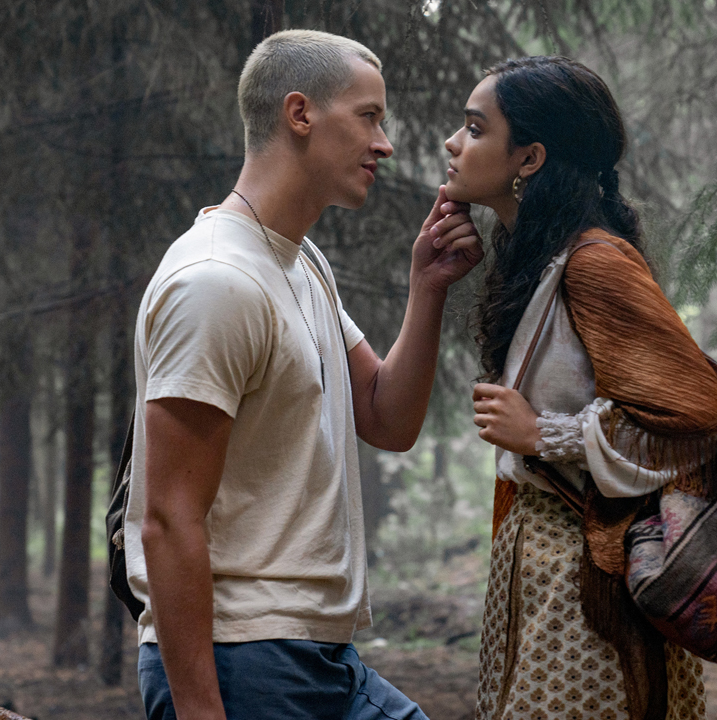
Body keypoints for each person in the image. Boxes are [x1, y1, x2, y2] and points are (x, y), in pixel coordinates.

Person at [123, 30, 484, 720]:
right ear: (300, 114)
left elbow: (385, 416)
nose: (385, 144)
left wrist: (428, 284)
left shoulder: (298, 260)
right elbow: (168, 519)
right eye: (369, 117)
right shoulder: (216, 282)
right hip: (243, 661)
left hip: (320, 659)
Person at [445, 56, 717, 720]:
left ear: (530, 157)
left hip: (593, 591)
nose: (452, 144)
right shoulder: (537, 260)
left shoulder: (595, 262)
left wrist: (543, 433)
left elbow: (696, 416)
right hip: (540, 576)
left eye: (475, 129)